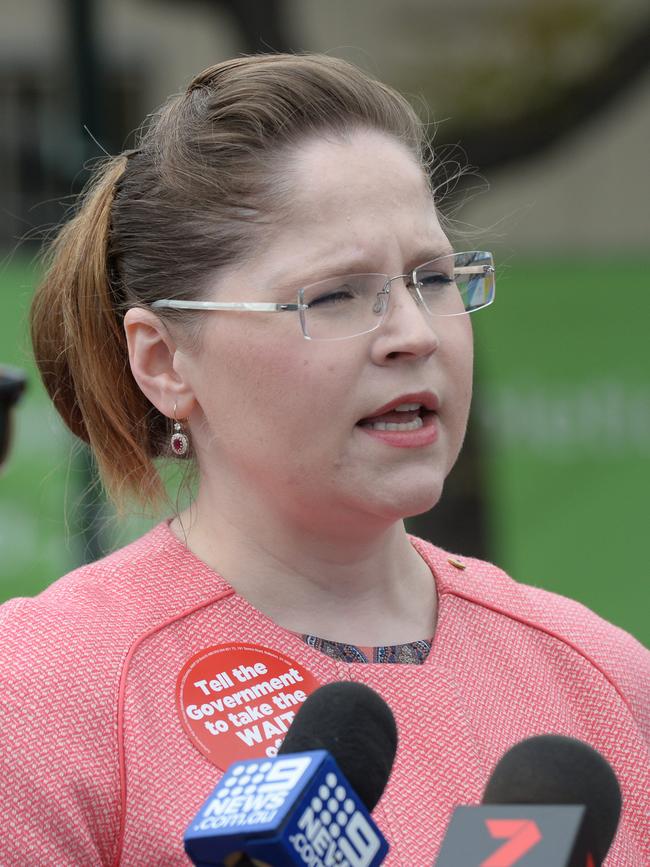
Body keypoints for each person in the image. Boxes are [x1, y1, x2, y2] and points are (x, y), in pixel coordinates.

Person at [0, 53, 648, 866]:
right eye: (336, 294)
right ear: (163, 360)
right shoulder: (40, 691)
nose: (415, 332)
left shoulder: (602, 675)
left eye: (435, 277)